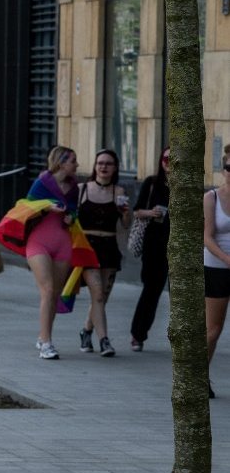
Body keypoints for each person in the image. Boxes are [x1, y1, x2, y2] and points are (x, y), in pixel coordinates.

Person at [0, 146, 97, 360]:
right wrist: (47, 207)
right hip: (38, 243)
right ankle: (46, 343)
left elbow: (72, 212)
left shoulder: (73, 188)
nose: (77, 165)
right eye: (73, 160)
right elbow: (25, 208)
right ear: (60, 162)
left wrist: (70, 217)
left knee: (55, 294)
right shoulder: (42, 182)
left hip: (63, 243)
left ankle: (44, 337)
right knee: (48, 290)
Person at [76, 149, 131, 357]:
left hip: (108, 247)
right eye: (100, 163)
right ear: (94, 166)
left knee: (102, 297)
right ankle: (104, 341)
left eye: (108, 163)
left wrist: (126, 213)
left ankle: (86, 331)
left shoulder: (119, 192)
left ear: (115, 168)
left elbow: (126, 224)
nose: (103, 167)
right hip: (87, 247)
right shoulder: (82, 189)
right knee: (97, 294)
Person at [129, 148, 172, 351]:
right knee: (151, 290)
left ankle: (182, 338)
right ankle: (138, 335)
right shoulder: (152, 183)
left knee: (181, 294)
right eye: (167, 159)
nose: (170, 163)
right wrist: (151, 212)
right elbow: (137, 210)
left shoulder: (188, 185)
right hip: (154, 245)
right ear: (161, 161)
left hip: (179, 246)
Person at [204, 148, 230, 383]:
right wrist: (226, 258)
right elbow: (207, 236)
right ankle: (199, 378)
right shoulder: (211, 197)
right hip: (216, 268)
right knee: (213, 329)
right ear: (223, 170)